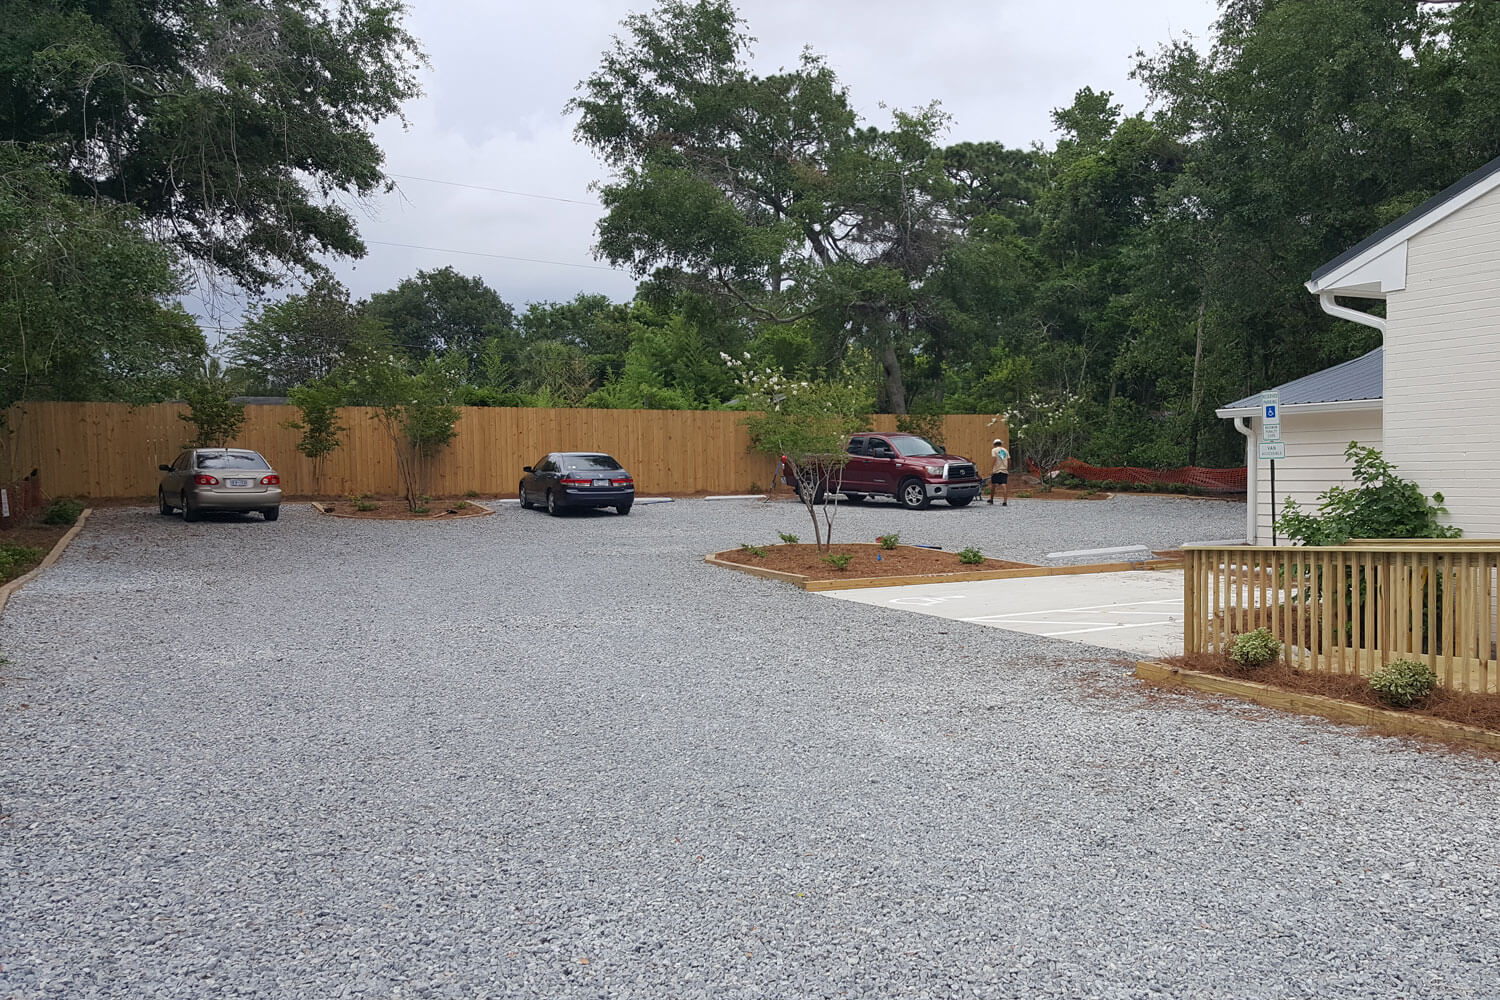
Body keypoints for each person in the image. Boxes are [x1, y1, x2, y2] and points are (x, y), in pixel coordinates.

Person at [988, 438, 1009, 505]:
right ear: (1000, 444)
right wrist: (1008, 468)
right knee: (1004, 485)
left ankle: (991, 499)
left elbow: (994, 458)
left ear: (994, 444)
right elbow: (1009, 460)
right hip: (1004, 470)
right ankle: (1005, 501)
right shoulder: (1005, 450)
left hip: (996, 470)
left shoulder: (994, 450)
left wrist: (991, 468)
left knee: (993, 485)